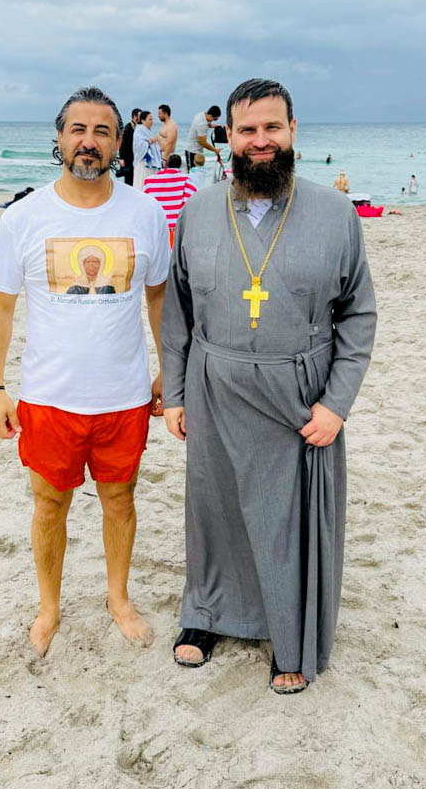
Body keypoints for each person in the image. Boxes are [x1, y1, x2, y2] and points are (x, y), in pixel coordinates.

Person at [161, 78, 377, 694]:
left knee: (286, 516)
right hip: (214, 385)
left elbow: (358, 314)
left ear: (292, 131)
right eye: (248, 130)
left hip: (299, 398)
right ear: (227, 136)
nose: (261, 141)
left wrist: (336, 404)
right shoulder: (198, 211)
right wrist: (174, 393)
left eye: (272, 128)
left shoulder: (335, 214)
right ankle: (207, 613)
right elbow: (178, 310)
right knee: (215, 507)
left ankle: (289, 630)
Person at [0, 86, 170, 657]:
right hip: (48, 397)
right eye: (78, 130)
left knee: (120, 499)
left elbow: (159, 298)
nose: (89, 142)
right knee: (49, 504)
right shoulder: (23, 217)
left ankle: (118, 598)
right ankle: (49, 607)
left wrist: (170, 369)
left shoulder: (144, 213)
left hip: (124, 395)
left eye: (102, 132)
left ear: (118, 143)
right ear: (59, 139)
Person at [143, 154, 198, 246]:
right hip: (176, 229)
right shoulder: (187, 180)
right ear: (180, 165)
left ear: (166, 164)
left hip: (156, 228)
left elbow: (146, 205)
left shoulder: (149, 180)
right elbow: (191, 205)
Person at [185, 105, 222, 188]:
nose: (214, 120)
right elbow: (203, 142)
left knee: (197, 175)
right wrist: (215, 150)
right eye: (215, 119)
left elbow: (206, 123)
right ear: (211, 115)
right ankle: (190, 192)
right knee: (192, 175)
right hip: (192, 151)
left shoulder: (201, 115)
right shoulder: (202, 124)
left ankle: (195, 190)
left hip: (197, 151)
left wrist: (212, 125)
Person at [132, 110, 163, 192]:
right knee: (142, 185)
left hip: (151, 164)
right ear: (143, 120)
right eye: (150, 119)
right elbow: (139, 146)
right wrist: (152, 140)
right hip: (143, 163)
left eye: (152, 119)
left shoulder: (147, 130)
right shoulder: (139, 130)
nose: (152, 121)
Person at [116, 108, 140, 186]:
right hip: (127, 158)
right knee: (129, 179)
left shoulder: (138, 127)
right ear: (135, 117)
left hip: (134, 158)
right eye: (139, 116)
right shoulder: (128, 128)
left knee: (135, 178)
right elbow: (122, 144)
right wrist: (121, 158)